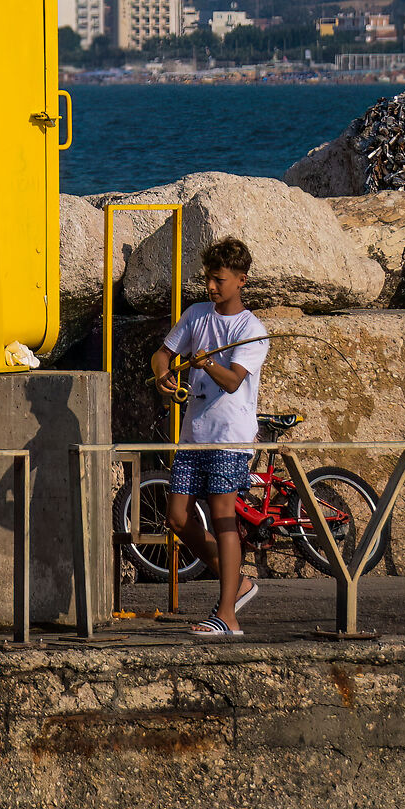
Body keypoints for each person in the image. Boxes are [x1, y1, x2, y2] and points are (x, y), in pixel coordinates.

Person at [149, 243, 268, 639]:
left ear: (240, 281)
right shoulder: (196, 315)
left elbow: (233, 381)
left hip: (229, 437)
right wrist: (164, 373)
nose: (212, 286)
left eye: (219, 280)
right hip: (194, 434)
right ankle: (239, 584)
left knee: (223, 518)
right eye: (208, 278)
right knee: (177, 517)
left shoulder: (251, 330)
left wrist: (208, 363)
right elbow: (162, 353)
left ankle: (227, 615)